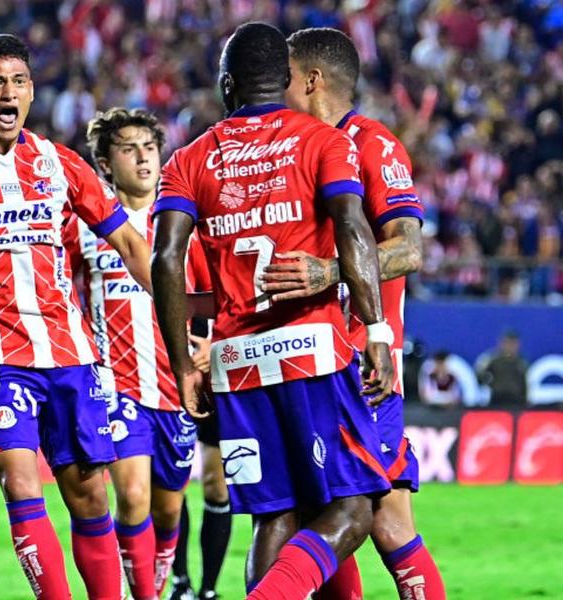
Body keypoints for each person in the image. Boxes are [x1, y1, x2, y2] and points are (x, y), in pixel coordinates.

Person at [151, 22, 395, 600]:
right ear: (286, 79)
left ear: (226, 83)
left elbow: (166, 258)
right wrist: (377, 330)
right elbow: (354, 230)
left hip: (235, 362)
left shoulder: (189, 159)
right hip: (311, 350)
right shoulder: (322, 140)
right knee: (353, 508)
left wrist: (184, 362)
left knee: (273, 517)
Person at [0, 34, 153, 600]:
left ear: (31, 92)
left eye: (19, 81)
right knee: (22, 484)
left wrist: (187, 323)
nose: (9, 92)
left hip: (70, 353)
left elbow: (127, 239)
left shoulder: (58, 161)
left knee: (90, 494)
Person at [259, 27, 447, 600]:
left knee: (385, 523)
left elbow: (408, 248)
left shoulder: (373, 143)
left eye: (283, 76)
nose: (273, 87)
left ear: (311, 80)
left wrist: (327, 272)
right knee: (324, 514)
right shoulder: (287, 147)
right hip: (302, 360)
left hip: (363, 365)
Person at [64, 107, 207, 600]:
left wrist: (210, 341)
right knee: (133, 497)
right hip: (116, 384)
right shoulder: (83, 225)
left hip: (176, 384)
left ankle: (157, 580)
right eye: (129, 148)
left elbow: (211, 295)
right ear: (105, 163)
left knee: (169, 511)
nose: (144, 157)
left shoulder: (184, 223)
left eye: (150, 147)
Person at [169, 259, 233, 600]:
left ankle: (209, 588)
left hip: (219, 375)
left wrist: (218, 343)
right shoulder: (162, 229)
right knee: (170, 486)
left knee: (216, 486)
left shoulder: (217, 234)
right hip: (167, 374)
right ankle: (180, 582)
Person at [476, 330, 529, 406]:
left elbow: (524, 385)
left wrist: (525, 401)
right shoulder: (493, 360)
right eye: (508, 343)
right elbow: (480, 379)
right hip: (497, 400)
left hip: (517, 401)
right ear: (501, 344)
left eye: (513, 343)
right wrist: (489, 381)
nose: (510, 347)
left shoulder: (522, 362)